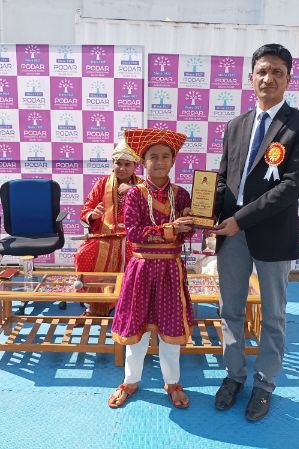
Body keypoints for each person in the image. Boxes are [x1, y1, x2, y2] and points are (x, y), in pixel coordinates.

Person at [213, 43, 299, 421]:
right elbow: (223, 179)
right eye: (262, 71)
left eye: (277, 72)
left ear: (289, 79)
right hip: (231, 235)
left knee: (273, 315)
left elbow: (291, 187)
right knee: (229, 310)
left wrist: (239, 219)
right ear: (250, 78)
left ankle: (264, 382)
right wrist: (203, 214)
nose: (268, 78)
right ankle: (233, 374)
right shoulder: (235, 125)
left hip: (272, 234)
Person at [108, 128, 194, 409]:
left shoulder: (182, 195)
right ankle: (130, 381)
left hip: (171, 269)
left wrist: (191, 222)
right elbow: (133, 233)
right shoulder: (134, 194)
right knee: (138, 332)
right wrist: (171, 229)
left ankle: (172, 382)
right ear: (143, 162)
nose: (159, 162)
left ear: (173, 160)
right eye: (153, 156)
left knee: (171, 331)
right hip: (142, 269)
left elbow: (187, 235)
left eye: (165, 156)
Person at [74, 139, 143, 317]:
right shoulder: (102, 183)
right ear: (113, 163)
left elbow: (150, 210)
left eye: (127, 164)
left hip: (131, 236)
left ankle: (129, 306)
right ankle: (95, 305)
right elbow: (86, 209)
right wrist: (93, 215)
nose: (122, 168)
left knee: (135, 259)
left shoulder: (142, 186)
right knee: (83, 254)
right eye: (118, 163)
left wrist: (134, 191)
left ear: (136, 166)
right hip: (104, 235)